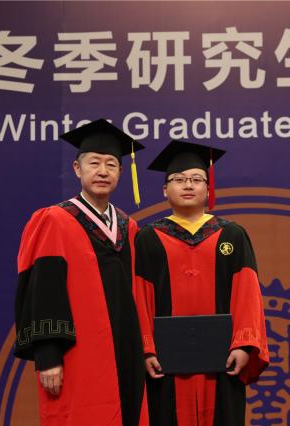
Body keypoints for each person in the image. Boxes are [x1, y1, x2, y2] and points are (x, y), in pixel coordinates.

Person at [14, 119, 149, 426]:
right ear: (77, 168)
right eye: (94, 163)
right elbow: (43, 291)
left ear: (120, 172)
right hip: (78, 353)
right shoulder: (56, 220)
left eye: (111, 164)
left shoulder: (129, 228)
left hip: (126, 350)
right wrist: (48, 355)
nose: (103, 171)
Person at [134, 140, 269, 426]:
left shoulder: (231, 235)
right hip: (165, 363)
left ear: (208, 189)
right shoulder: (148, 238)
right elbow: (139, 298)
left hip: (223, 360)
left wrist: (243, 345)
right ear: (165, 190)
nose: (188, 185)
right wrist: (146, 349)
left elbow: (247, 294)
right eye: (179, 179)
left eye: (197, 179)